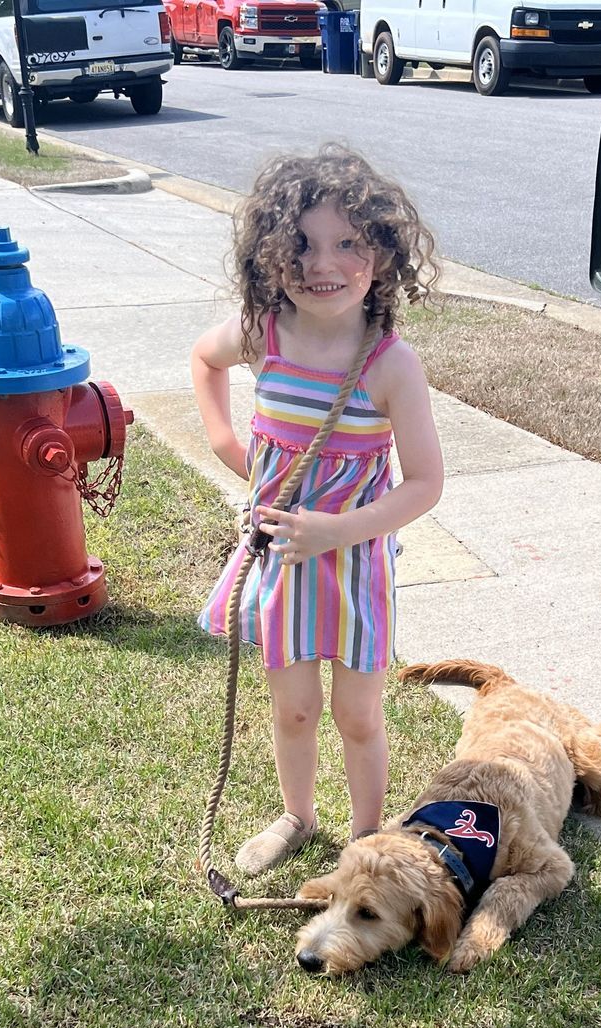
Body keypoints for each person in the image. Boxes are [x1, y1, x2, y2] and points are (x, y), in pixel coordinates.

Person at [193, 145, 444, 877]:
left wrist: (334, 530)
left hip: (354, 564)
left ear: (385, 258)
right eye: (299, 243)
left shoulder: (390, 364)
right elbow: (204, 361)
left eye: (346, 243)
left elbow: (424, 484)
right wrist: (225, 444)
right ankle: (297, 816)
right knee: (294, 709)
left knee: (357, 715)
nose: (320, 263)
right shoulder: (264, 333)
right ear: (268, 254)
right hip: (279, 562)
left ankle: (367, 841)